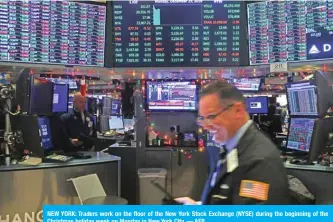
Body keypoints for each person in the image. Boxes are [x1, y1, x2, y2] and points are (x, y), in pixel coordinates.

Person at [175, 80, 290, 205]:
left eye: (211, 117)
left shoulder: (260, 161)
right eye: (202, 119)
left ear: (238, 111)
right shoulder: (232, 147)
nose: (206, 126)